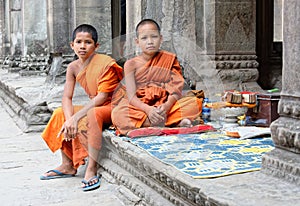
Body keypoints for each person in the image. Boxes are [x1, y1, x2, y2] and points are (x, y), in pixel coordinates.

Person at [40, 24, 123, 192]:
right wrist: (70, 118)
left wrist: (76, 118)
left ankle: (92, 168)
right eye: (79, 42)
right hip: (96, 105)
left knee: (91, 115)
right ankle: (67, 165)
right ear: (72, 45)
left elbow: (103, 97)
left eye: (88, 42)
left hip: (116, 106)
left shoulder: (105, 63)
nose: (82, 46)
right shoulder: (73, 67)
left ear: (96, 46)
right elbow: (66, 97)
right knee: (59, 114)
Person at [111, 19, 203, 136]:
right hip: (141, 107)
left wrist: (166, 107)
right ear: (137, 41)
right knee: (118, 114)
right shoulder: (130, 64)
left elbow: (175, 91)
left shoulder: (169, 59)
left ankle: (150, 124)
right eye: (144, 38)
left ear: (161, 39)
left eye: (154, 37)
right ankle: (170, 123)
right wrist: (148, 110)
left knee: (194, 103)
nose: (150, 42)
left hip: (164, 106)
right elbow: (131, 97)